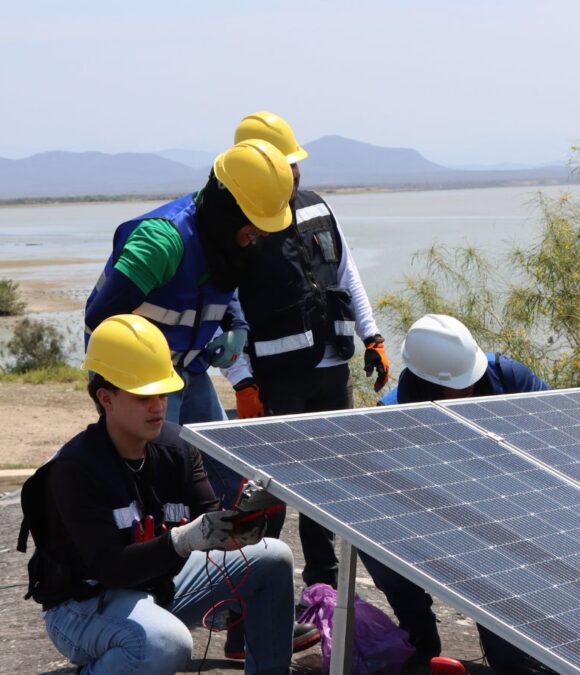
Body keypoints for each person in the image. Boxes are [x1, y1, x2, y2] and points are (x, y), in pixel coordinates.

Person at [17, 314, 314, 674]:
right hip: (85, 605)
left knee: (272, 556)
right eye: (143, 395)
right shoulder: (74, 469)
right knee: (167, 645)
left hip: (156, 585)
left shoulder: (177, 448)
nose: (157, 405)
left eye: (161, 392)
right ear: (105, 398)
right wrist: (181, 540)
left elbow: (209, 515)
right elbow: (109, 567)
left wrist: (238, 528)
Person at [225, 111, 389, 593]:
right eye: (284, 162)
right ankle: (251, 595)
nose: (295, 172)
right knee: (265, 491)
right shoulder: (237, 229)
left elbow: (347, 274)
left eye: (295, 162)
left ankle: (324, 588)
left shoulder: (318, 208)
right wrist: (243, 382)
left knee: (326, 487)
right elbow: (227, 310)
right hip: (275, 380)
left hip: (330, 370)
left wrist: (372, 337)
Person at [367, 314, 552, 674]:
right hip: (437, 521)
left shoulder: (507, 376)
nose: (470, 387)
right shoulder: (393, 416)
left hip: (516, 515)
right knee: (372, 537)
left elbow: (560, 430)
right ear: (426, 382)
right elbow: (387, 498)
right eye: (459, 385)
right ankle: (419, 640)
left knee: (514, 663)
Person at [84, 138, 293, 429]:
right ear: (230, 209)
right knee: (157, 465)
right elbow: (99, 318)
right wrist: (147, 384)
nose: (263, 233)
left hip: (186, 366)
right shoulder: (161, 243)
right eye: (257, 222)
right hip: (138, 380)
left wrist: (237, 326)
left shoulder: (220, 235)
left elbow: (220, 278)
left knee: (222, 460)